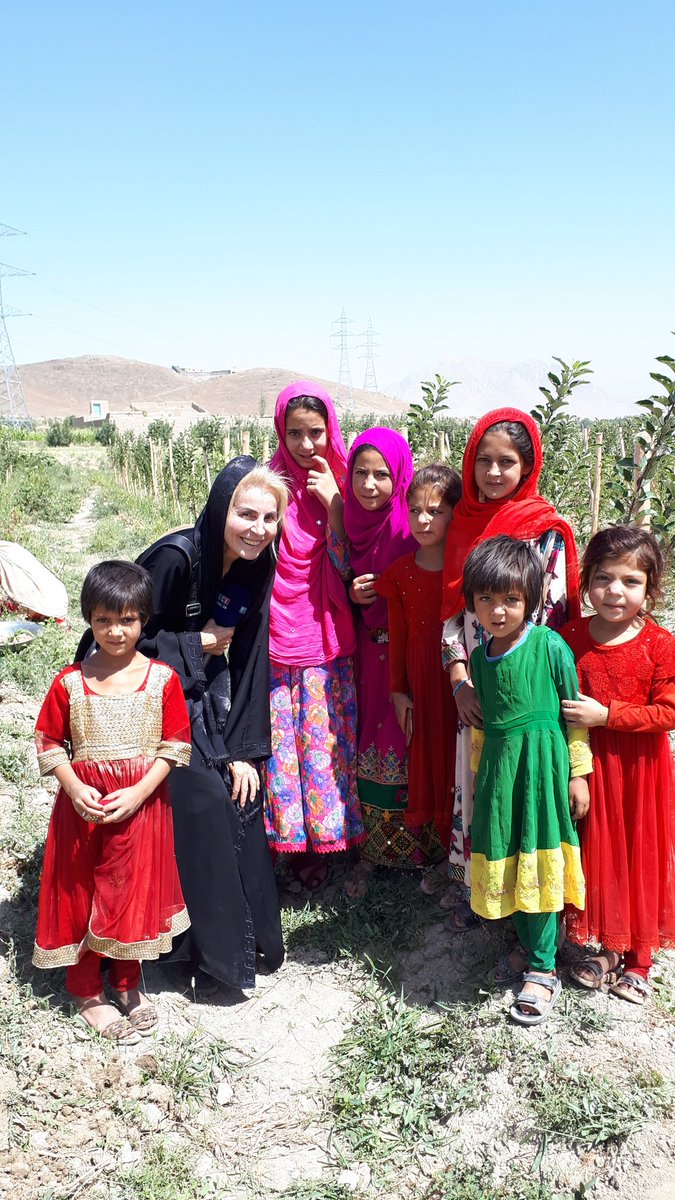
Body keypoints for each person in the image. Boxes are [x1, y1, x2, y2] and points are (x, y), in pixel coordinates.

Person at [106, 457, 289, 992]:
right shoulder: (176, 558)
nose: (257, 529)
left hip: (193, 698)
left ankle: (248, 945)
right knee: (203, 798)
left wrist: (244, 750)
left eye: (269, 517)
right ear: (219, 509)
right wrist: (196, 644)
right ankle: (195, 954)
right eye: (245, 514)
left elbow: (253, 658)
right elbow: (114, 641)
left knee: (243, 793)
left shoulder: (256, 568)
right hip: (132, 702)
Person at [33, 560, 191, 1044]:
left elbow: (176, 746)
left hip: (141, 808)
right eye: (103, 620)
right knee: (81, 889)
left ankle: (125, 981)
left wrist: (141, 791)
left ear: (144, 619)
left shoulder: (163, 679)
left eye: (127, 620)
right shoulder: (70, 681)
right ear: (88, 620)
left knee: (131, 890)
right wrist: (74, 786)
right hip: (83, 812)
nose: (116, 631)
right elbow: (49, 742)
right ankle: (85, 990)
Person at [441, 407, 581, 928]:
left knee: (529, 788)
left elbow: (560, 616)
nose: (494, 473)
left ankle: (533, 899)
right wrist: (459, 680)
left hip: (530, 686)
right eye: (484, 461)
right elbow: (450, 614)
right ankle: (482, 886)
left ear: (529, 466)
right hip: (478, 682)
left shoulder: (544, 529)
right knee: (481, 779)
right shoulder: (462, 528)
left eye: (507, 462)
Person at [463, 536, 590, 1026]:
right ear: (472, 601)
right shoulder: (479, 659)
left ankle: (542, 969)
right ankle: (533, 941)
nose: (498, 611)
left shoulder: (549, 645)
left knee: (539, 851)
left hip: (542, 770)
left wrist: (578, 773)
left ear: (532, 599)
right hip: (500, 775)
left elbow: (574, 714)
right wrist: (483, 782)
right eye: (486, 599)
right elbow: (485, 727)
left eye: (511, 599)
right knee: (512, 853)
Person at [560, 525, 675, 1005]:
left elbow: (669, 711)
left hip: (639, 773)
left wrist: (608, 715)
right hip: (588, 769)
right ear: (586, 582)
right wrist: (574, 770)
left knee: (636, 852)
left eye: (631, 581)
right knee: (593, 851)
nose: (615, 591)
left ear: (650, 588)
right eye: (604, 578)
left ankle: (639, 960)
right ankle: (603, 946)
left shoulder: (659, 644)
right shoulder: (568, 638)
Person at [264, 383, 362, 888]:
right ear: (281, 431)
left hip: (326, 631)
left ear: (331, 432)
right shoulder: (267, 487)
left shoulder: (349, 481)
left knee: (323, 742)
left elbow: (347, 567)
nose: (306, 445)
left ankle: (328, 842)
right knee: (284, 746)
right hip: (279, 632)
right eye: (295, 433)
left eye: (316, 433)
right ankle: (291, 846)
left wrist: (337, 508)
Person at [344, 428, 443, 898]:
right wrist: (354, 592)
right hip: (367, 651)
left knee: (411, 738)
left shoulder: (415, 526)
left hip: (410, 655)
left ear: (399, 475)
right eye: (360, 473)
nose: (369, 485)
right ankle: (372, 851)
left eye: (382, 474)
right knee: (372, 738)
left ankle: (426, 848)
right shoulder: (345, 522)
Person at [375, 464, 461, 887]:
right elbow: (398, 635)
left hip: (456, 682)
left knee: (457, 761)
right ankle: (436, 848)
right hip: (421, 683)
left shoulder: (466, 572)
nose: (423, 520)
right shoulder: (401, 573)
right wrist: (397, 691)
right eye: (414, 511)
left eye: (435, 511)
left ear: (454, 514)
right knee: (427, 758)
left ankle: (459, 853)